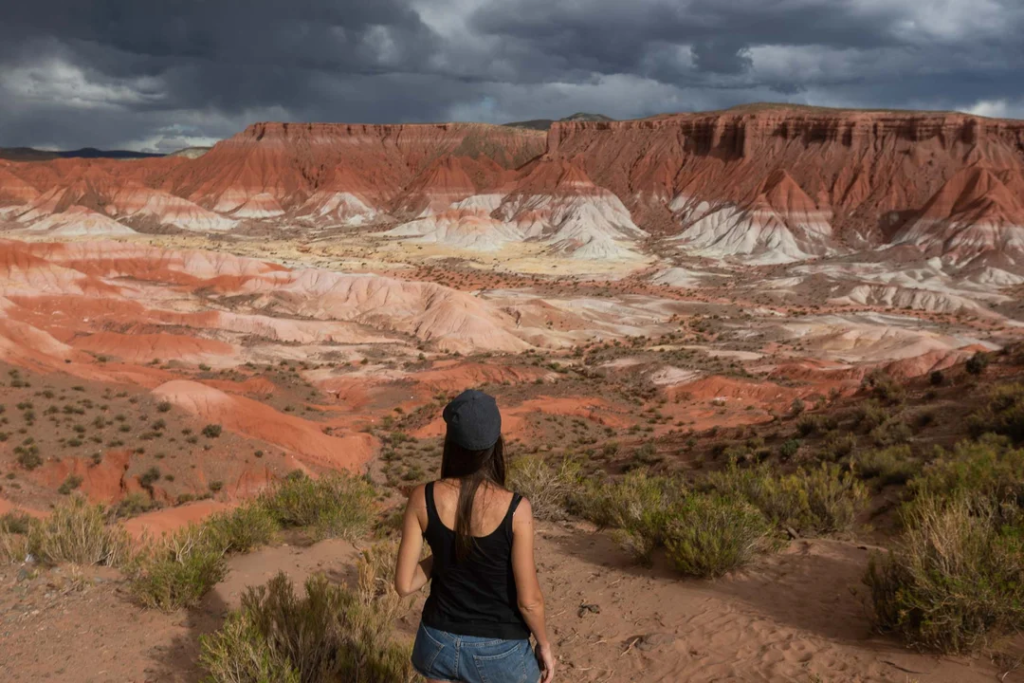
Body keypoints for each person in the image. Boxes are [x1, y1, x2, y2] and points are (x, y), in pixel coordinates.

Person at [395, 389, 555, 683]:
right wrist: (544, 645)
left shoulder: (422, 498)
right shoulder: (517, 509)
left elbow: (405, 585)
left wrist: (446, 554)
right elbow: (529, 602)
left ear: (451, 444)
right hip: (500, 653)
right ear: (495, 445)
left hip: (437, 644)